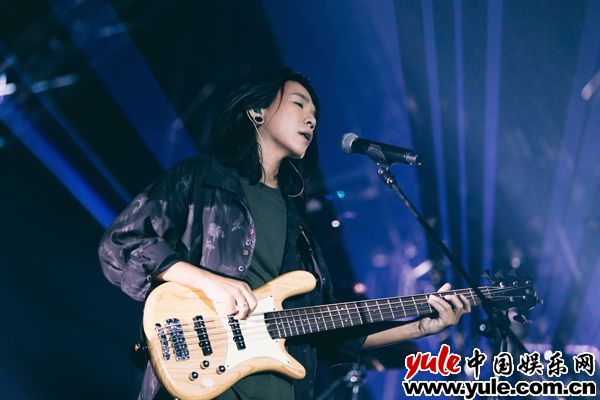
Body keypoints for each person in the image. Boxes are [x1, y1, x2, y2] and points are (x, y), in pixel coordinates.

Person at [98, 68, 471, 400]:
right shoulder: (203, 178)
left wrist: (419, 327)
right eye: (299, 104)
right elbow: (122, 244)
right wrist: (210, 283)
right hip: (202, 383)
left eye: (315, 114)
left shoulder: (300, 227)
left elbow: (330, 334)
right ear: (257, 111)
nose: (311, 119)